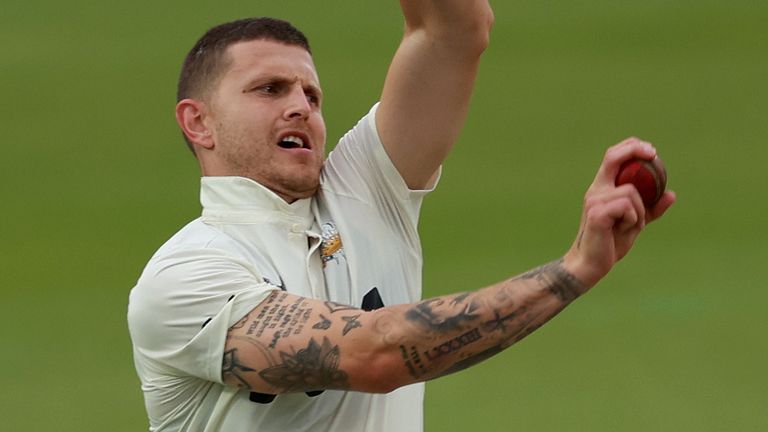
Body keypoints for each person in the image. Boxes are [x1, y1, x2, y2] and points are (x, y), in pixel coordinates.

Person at [127, 2, 675, 431]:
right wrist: (573, 270)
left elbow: (455, 30)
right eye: (269, 90)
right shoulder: (186, 277)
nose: (301, 107)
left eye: (312, 96)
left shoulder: (364, 191)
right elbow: (376, 355)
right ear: (198, 122)